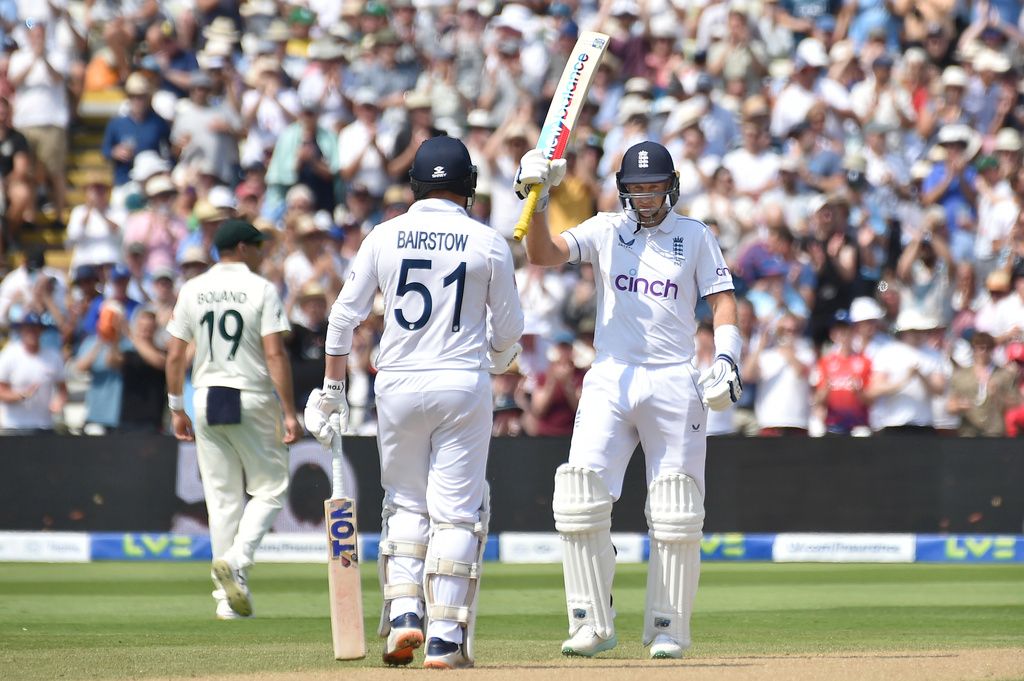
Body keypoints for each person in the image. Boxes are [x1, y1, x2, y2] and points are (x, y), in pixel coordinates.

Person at [303, 136, 524, 669]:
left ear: (415, 184)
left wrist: (333, 390)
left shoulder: (385, 235)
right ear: (468, 185)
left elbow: (340, 320)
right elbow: (511, 330)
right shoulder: (487, 240)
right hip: (460, 383)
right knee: (454, 513)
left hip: (397, 382)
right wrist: (498, 355)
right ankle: (445, 639)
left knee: (405, 503)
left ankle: (405, 614)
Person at [516, 140, 741, 660]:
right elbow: (543, 254)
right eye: (636, 189)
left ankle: (668, 628)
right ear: (623, 190)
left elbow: (723, 301)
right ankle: (592, 622)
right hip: (611, 375)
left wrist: (727, 359)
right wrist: (539, 196)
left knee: (676, 507)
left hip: (673, 379)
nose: (644, 198)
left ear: (671, 187)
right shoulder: (605, 228)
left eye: (654, 188)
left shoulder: (695, 235)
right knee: (578, 495)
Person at [165, 219, 302, 621]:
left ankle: (227, 599)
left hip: (207, 397)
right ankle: (239, 561)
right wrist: (290, 411)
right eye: (258, 246)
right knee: (272, 488)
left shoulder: (193, 289)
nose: (262, 253)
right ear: (242, 248)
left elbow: (175, 355)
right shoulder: (261, 288)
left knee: (222, 499)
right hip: (251, 394)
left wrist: (176, 406)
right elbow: (275, 354)